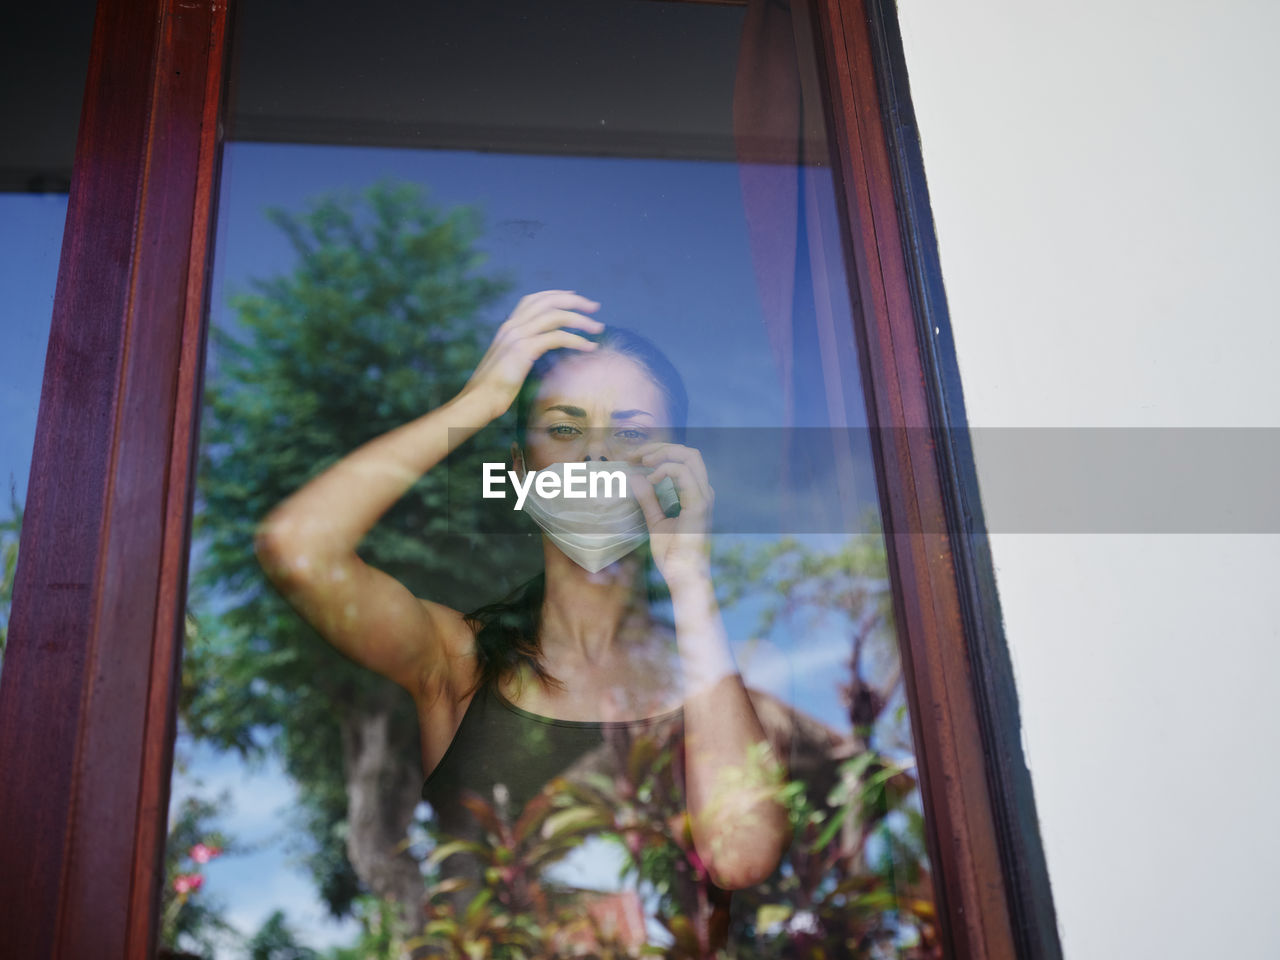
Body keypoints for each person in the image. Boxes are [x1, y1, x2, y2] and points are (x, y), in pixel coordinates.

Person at [254, 290, 791, 956]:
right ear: (517, 471)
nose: (596, 460)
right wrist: (476, 404)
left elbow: (741, 858)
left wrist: (691, 580)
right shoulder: (460, 659)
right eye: (565, 429)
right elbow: (296, 549)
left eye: (630, 434)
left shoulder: (713, 683)